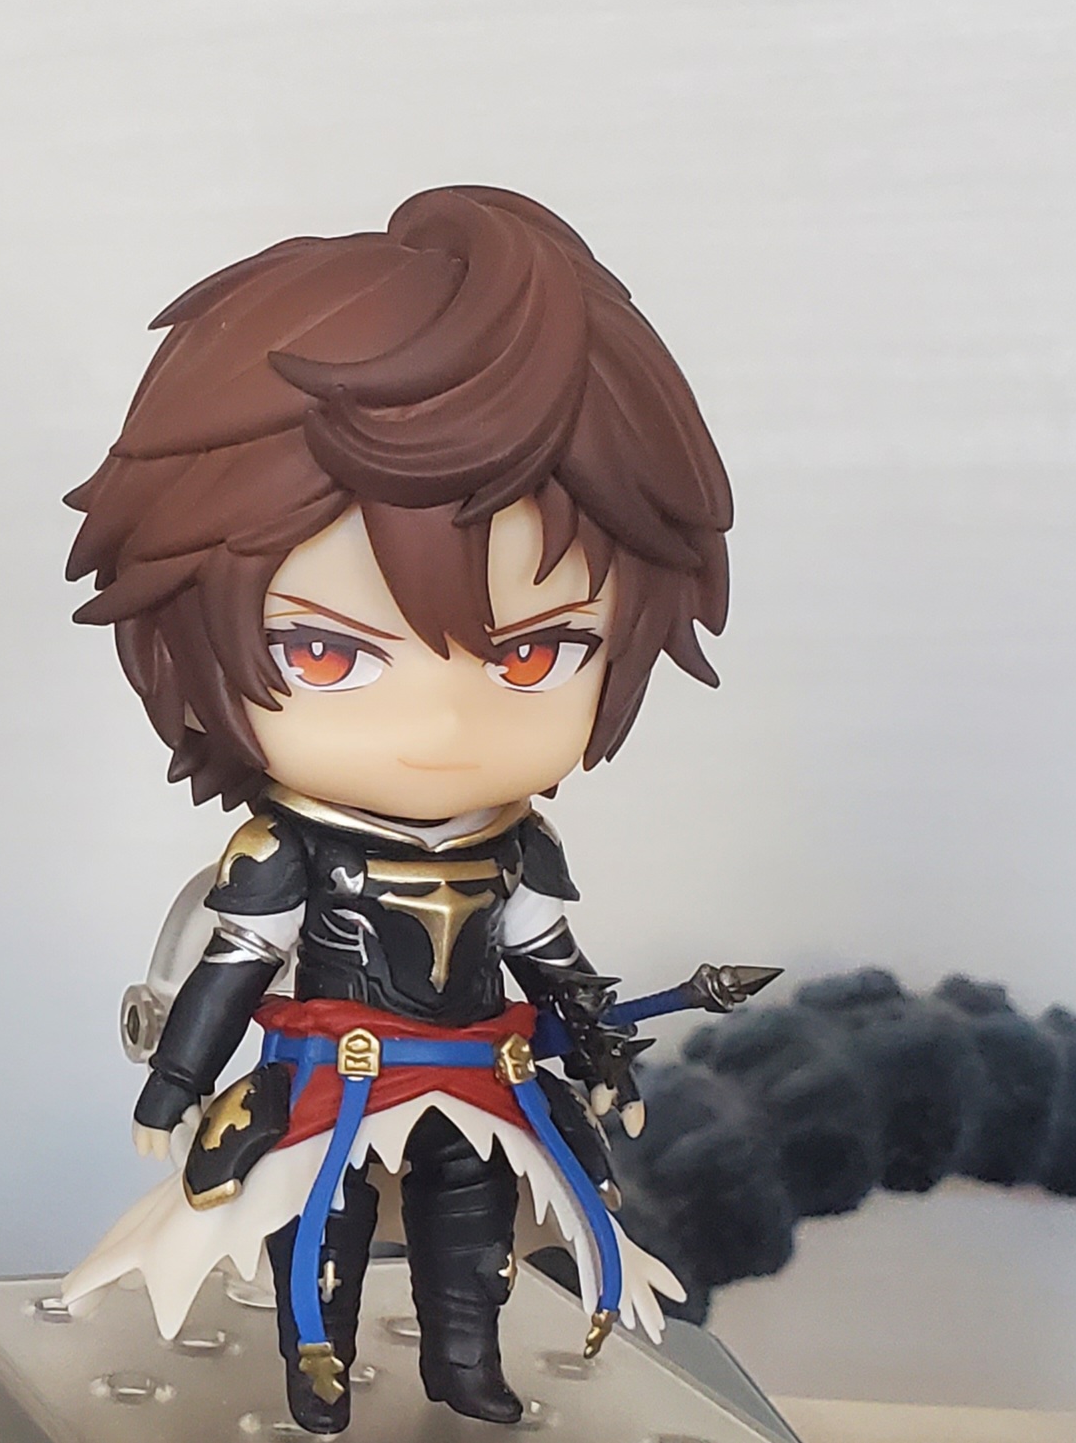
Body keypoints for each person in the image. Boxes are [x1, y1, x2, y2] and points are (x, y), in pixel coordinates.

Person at [54, 187, 731, 1433]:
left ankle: (466, 1365)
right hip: (333, 1072)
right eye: (327, 652)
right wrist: (178, 1081)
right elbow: (231, 964)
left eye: (533, 654)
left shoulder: (516, 844)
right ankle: (315, 1368)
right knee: (319, 1222)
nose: (444, 724)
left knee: (474, 1225)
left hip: (481, 1066)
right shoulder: (286, 846)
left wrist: (603, 1053)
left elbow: (552, 957)